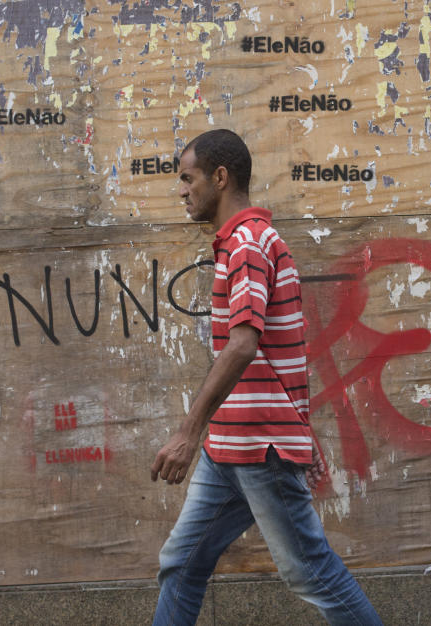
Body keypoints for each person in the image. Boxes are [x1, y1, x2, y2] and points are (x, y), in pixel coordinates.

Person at [150, 129, 381, 625]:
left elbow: (243, 342)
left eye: (188, 179)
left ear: (220, 176)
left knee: (308, 571)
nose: (182, 190)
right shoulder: (239, 242)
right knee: (181, 563)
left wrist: (187, 432)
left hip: (261, 447)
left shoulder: (249, 242)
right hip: (230, 445)